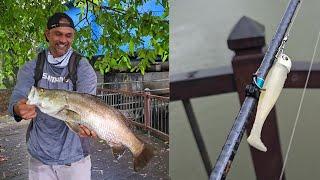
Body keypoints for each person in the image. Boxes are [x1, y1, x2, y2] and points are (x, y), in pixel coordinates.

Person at [8, 12, 97, 180]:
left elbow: (88, 106)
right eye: (58, 34)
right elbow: (17, 98)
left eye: (68, 35)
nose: (63, 40)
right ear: (47, 34)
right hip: (39, 158)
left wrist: (88, 124)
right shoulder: (32, 66)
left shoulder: (83, 68)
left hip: (75, 159)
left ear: (73, 37)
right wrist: (18, 108)